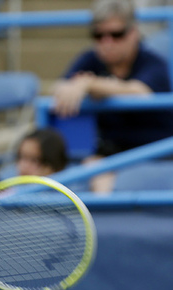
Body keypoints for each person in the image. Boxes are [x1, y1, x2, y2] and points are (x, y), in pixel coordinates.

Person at [52, 0, 173, 192]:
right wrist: (75, 86)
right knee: (92, 168)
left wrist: (90, 84)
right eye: (99, 35)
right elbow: (61, 86)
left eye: (117, 35)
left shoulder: (153, 63)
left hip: (157, 154)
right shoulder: (90, 59)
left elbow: (139, 91)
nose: (107, 43)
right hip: (110, 153)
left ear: (133, 32)